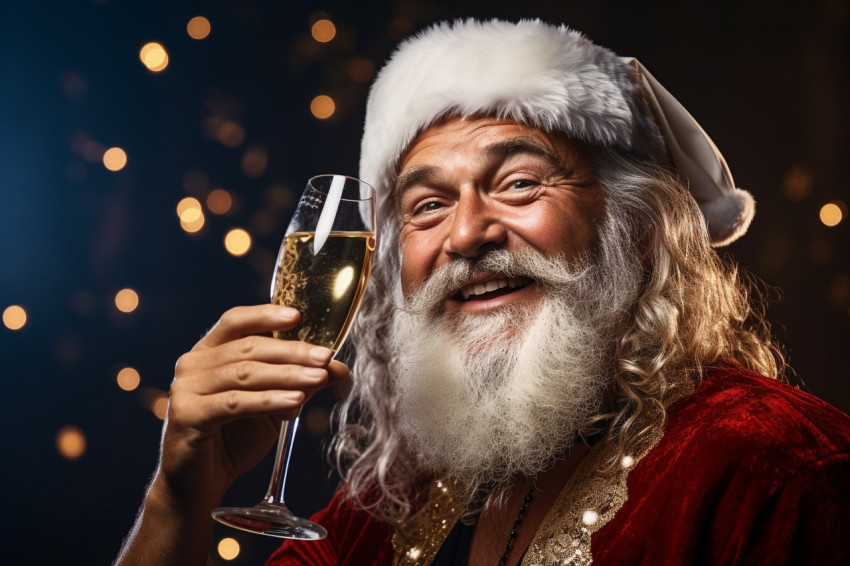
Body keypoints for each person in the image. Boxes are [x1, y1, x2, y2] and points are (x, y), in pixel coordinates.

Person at [116, 19, 850, 566]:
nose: (467, 234)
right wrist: (178, 497)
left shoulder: (783, 471)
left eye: (519, 183)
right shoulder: (401, 499)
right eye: (426, 205)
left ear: (638, 225)